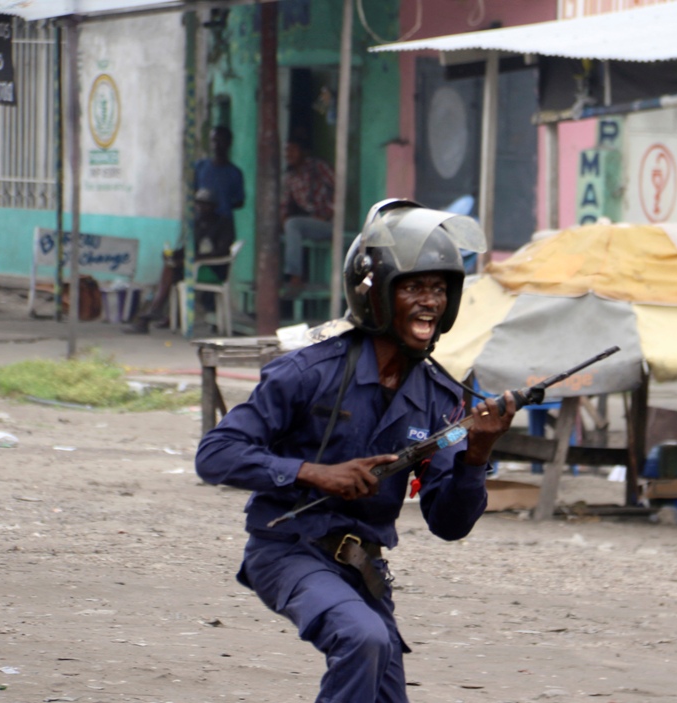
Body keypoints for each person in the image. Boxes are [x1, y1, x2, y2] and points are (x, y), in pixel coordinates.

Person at [195, 199, 513, 703]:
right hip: (286, 551)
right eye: (413, 287)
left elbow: (448, 524)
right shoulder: (310, 371)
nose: (429, 302)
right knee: (361, 638)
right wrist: (315, 473)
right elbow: (215, 454)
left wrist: (478, 452)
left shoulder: (441, 399)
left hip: (362, 572)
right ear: (376, 292)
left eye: (439, 289)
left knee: (381, 673)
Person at [123, 188, 235, 333]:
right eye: (199, 204)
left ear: (214, 206)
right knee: (169, 268)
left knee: (169, 272)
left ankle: (155, 310)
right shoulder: (198, 223)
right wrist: (173, 255)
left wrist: (193, 259)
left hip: (213, 271)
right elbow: (189, 248)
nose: (201, 208)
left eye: (206, 205)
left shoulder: (223, 223)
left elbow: (222, 251)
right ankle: (154, 314)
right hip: (195, 267)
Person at [281, 136, 335, 290]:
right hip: (312, 223)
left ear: (303, 152)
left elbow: (341, 188)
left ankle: (295, 276)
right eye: (286, 150)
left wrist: (328, 214)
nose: (289, 154)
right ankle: (284, 278)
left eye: (293, 150)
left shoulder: (317, 167)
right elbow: (283, 206)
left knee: (293, 224)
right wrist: (282, 221)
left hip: (330, 223)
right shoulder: (289, 177)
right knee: (287, 225)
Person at [195, 125, 245, 222]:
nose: (216, 145)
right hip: (202, 223)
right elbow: (193, 192)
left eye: (221, 141)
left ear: (229, 143)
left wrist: (222, 204)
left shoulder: (234, 173)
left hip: (224, 224)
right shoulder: (200, 167)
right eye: (214, 140)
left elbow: (240, 201)